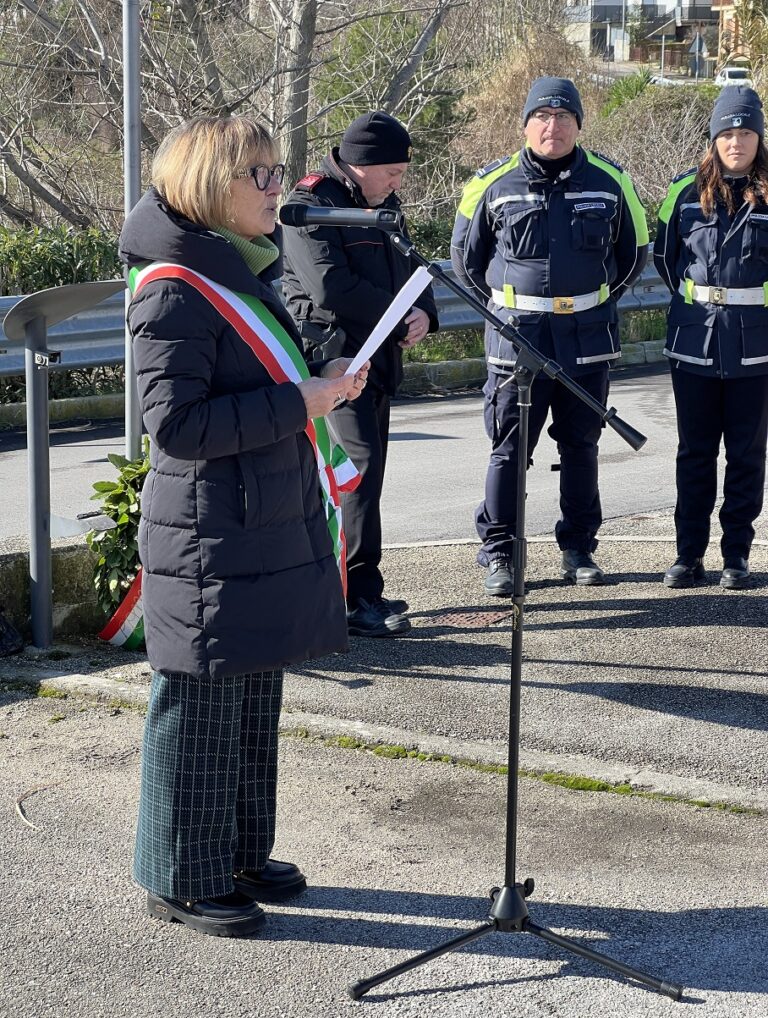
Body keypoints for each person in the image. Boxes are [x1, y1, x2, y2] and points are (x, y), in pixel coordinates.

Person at [118, 115, 368, 937]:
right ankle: (181, 877)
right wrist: (302, 401)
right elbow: (179, 426)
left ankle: (236, 852)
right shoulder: (171, 287)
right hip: (208, 530)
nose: (276, 188)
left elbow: (258, 375)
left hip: (256, 519)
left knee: (254, 694)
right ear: (209, 185)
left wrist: (318, 378)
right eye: (258, 175)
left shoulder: (234, 266)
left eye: (275, 170)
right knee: (200, 707)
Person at [451, 77, 648, 595]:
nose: (552, 126)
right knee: (509, 449)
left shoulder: (610, 181)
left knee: (582, 445)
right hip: (517, 339)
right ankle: (500, 554)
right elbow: (465, 262)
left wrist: (594, 303)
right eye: (541, 116)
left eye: (563, 117)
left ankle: (578, 547)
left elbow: (633, 257)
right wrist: (503, 314)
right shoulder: (490, 184)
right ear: (525, 124)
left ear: (579, 124)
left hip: (585, 337)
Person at [281, 111, 439, 638]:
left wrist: (424, 312)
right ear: (360, 165)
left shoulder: (380, 201)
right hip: (332, 361)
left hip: (377, 361)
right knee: (358, 471)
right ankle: (353, 593)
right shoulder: (312, 203)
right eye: (392, 172)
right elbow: (329, 289)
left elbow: (409, 265)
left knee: (369, 473)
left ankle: (362, 586)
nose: (399, 183)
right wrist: (398, 314)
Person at [654, 86, 768, 589]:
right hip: (694, 343)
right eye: (727, 131)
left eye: (746, 132)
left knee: (745, 455)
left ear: (759, 137)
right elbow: (664, 259)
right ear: (713, 136)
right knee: (694, 453)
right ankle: (688, 555)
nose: (736, 141)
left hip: (756, 347)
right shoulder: (682, 194)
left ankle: (737, 555)